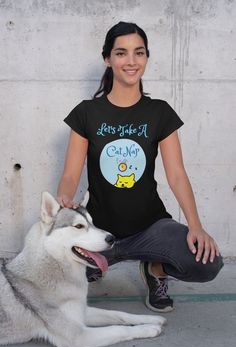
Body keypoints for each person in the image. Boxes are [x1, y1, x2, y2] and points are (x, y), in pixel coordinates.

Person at [57, 21, 223, 312]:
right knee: (54, 273)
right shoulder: (87, 113)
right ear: (107, 59)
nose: (131, 61)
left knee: (206, 264)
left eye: (139, 52)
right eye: (121, 53)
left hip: (150, 228)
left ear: (146, 57)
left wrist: (196, 226)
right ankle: (99, 258)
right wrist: (65, 202)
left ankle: (154, 268)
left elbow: (177, 174)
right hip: (100, 230)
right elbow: (70, 174)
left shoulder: (159, 112)